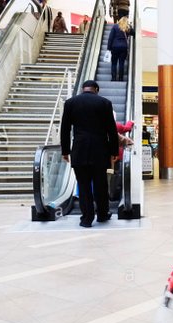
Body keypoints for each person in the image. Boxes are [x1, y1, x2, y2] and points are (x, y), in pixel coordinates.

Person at [61, 80, 119, 227]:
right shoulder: (105, 103)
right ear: (96, 89)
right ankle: (102, 215)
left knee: (84, 185)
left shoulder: (70, 103)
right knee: (101, 185)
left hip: (79, 150)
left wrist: (65, 151)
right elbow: (111, 130)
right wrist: (114, 151)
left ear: (83, 89)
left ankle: (87, 218)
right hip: (100, 151)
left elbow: (65, 129)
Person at [107, 16, 133, 82]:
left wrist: (108, 48)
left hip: (115, 47)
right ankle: (121, 79)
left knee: (114, 63)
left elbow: (110, 38)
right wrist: (129, 25)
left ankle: (113, 78)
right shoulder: (128, 27)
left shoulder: (115, 26)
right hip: (124, 48)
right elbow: (134, 33)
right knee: (121, 63)